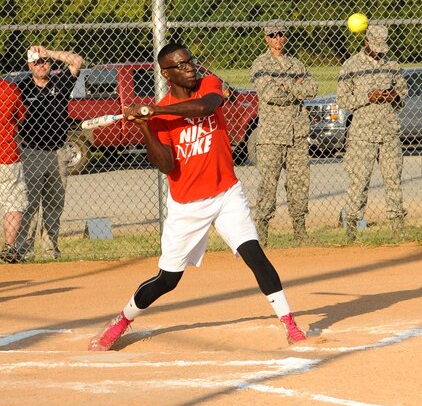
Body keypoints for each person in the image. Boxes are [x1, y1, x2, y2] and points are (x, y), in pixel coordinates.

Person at [88, 42, 306, 351]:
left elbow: (206, 107)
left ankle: (290, 323)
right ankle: (123, 320)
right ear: (166, 74)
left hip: (226, 193)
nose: (190, 67)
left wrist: (155, 109)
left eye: (190, 61)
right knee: (168, 280)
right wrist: (147, 126)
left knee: (254, 255)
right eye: (181, 65)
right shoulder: (160, 118)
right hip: (187, 205)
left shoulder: (208, 84)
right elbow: (166, 165)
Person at [337, 25, 408, 242]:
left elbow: (403, 95)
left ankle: (398, 227)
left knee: (393, 179)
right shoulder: (351, 65)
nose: (378, 52)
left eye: (381, 48)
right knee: (359, 181)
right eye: (375, 47)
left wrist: (393, 96)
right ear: (366, 42)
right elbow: (343, 100)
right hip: (362, 133)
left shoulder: (391, 65)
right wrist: (368, 96)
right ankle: (351, 229)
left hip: (388, 131)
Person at [250, 22, 318, 245]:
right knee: (268, 184)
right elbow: (269, 94)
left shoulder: (295, 63)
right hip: (272, 135)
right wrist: (295, 87)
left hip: (297, 133)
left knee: (299, 183)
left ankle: (300, 230)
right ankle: (262, 232)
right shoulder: (261, 64)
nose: (277, 39)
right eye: (272, 35)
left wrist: (285, 86)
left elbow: (312, 89)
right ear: (265, 39)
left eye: (281, 34)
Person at [14, 45, 83, 260]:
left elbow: (77, 61)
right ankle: (24, 250)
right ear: (29, 66)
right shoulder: (22, 87)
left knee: (54, 203)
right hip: (32, 152)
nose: (41, 65)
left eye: (44, 62)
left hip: (58, 151)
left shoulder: (60, 82)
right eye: (36, 62)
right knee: (30, 204)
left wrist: (48, 52)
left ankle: (50, 250)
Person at [0, 78, 28, 263]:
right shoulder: (9, 89)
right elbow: (21, 117)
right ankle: (9, 248)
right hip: (8, 155)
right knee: (13, 203)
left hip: (9, 155)